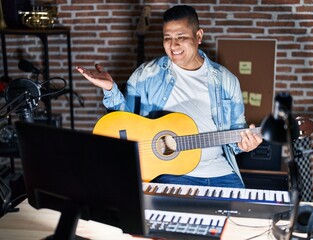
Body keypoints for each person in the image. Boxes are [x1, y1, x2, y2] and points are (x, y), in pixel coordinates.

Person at [76, 5, 262, 188]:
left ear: (198, 37)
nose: (173, 46)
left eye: (181, 37)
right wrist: (110, 89)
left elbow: (237, 135)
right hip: (169, 174)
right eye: (167, 38)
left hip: (221, 173)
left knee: (244, 216)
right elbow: (123, 124)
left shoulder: (227, 81)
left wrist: (246, 144)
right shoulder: (146, 76)